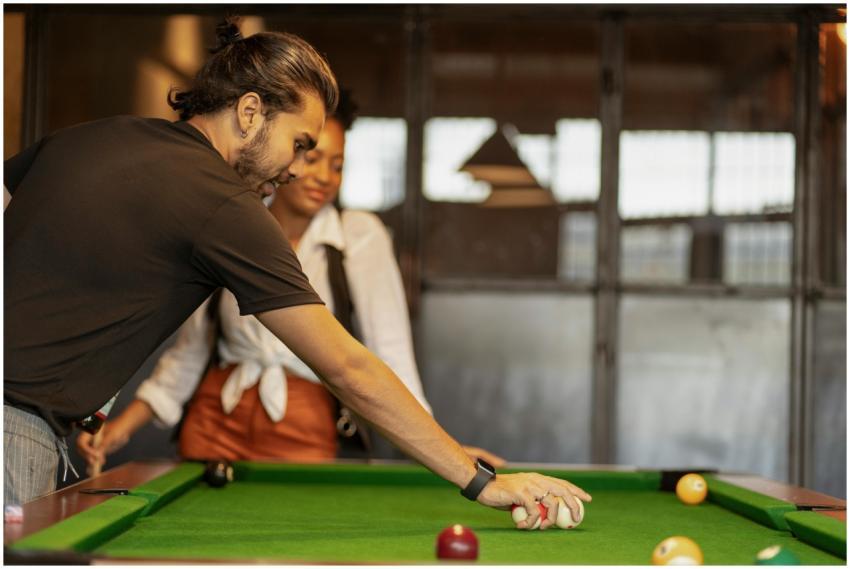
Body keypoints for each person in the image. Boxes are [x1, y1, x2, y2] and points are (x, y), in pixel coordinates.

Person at [4, 19, 590, 529]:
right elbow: (347, 367)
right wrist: (480, 481)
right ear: (249, 112)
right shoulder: (225, 204)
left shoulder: (97, 135)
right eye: (299, 143)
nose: (297, 167)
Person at [77, 91, 504, 468]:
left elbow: (390, 354)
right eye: (311, 157)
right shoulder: (228, 225)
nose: (323, 176)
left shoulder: (358, 236)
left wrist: (445, 453)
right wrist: (120, 429)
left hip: (305, 424)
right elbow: (189, 354)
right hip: (215, 421)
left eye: (337, 165)